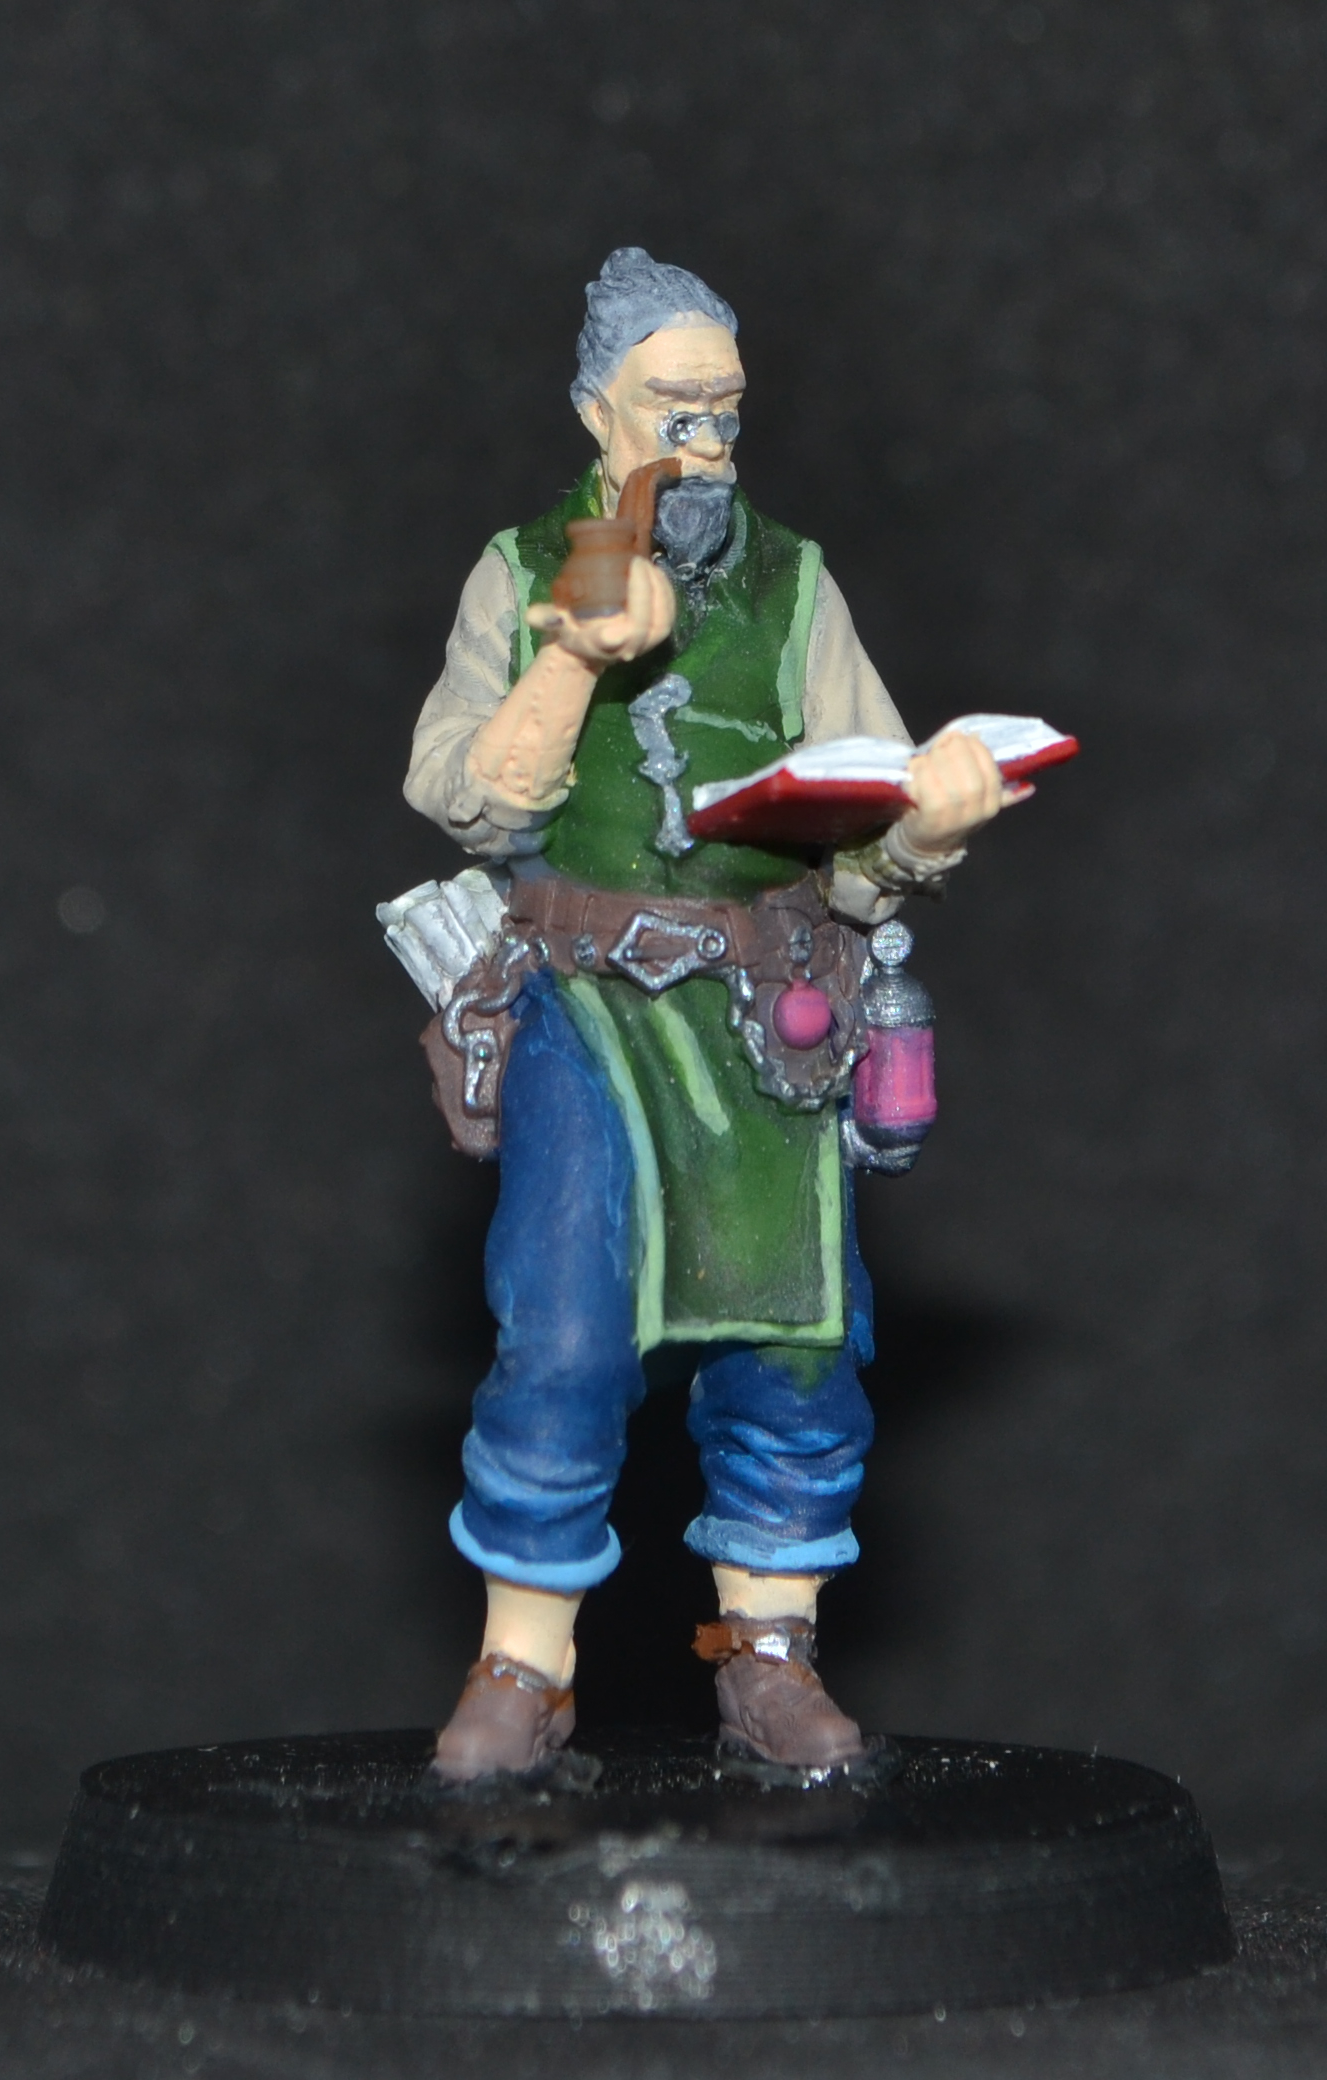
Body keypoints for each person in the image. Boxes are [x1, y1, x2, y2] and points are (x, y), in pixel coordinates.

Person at [404, 248, 1024, 1780]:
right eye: (669, 412)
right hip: (583, 1001)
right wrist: (571, 654)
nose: (702, 445)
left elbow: (866, 851)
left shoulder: (791, 582)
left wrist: (927, 827)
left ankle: (767, 1653)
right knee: (560, 1333)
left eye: (723, 414)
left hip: (768, 1013)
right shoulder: (519, 567)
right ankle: (523, 1664)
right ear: (593, 412)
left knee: (795, 1344)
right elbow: (468, 803)